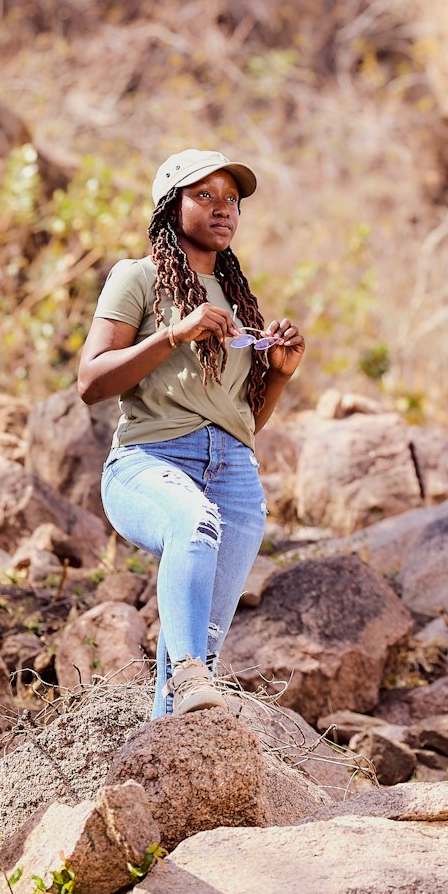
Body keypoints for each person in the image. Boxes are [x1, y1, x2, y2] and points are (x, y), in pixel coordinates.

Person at [77, 149, 305, 719]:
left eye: (231, 199)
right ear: (170, 206)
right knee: (192, 523)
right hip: (147, 463)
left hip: (233, 475)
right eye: (205, 196)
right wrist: (173, 335)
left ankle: (165, 744)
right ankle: (186, 675)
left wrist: (277, 375)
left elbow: (242, 421)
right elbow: (90, 382)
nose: (223, 208)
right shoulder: (138, 277)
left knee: (200, 649)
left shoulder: (237, 300)